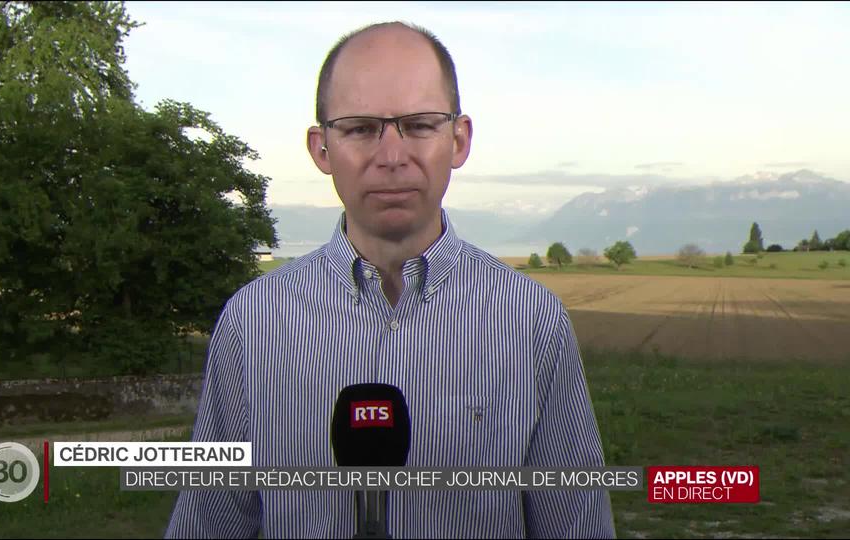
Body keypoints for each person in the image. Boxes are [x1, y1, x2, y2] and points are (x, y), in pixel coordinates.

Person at [166, 21, 615, 539]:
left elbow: (577, 523)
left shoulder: (531, 321)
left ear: (459, 139)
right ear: (321, 149)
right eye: (360, 128)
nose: (392, 156)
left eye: (420, 125)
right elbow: (208, 523)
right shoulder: (251, 325)